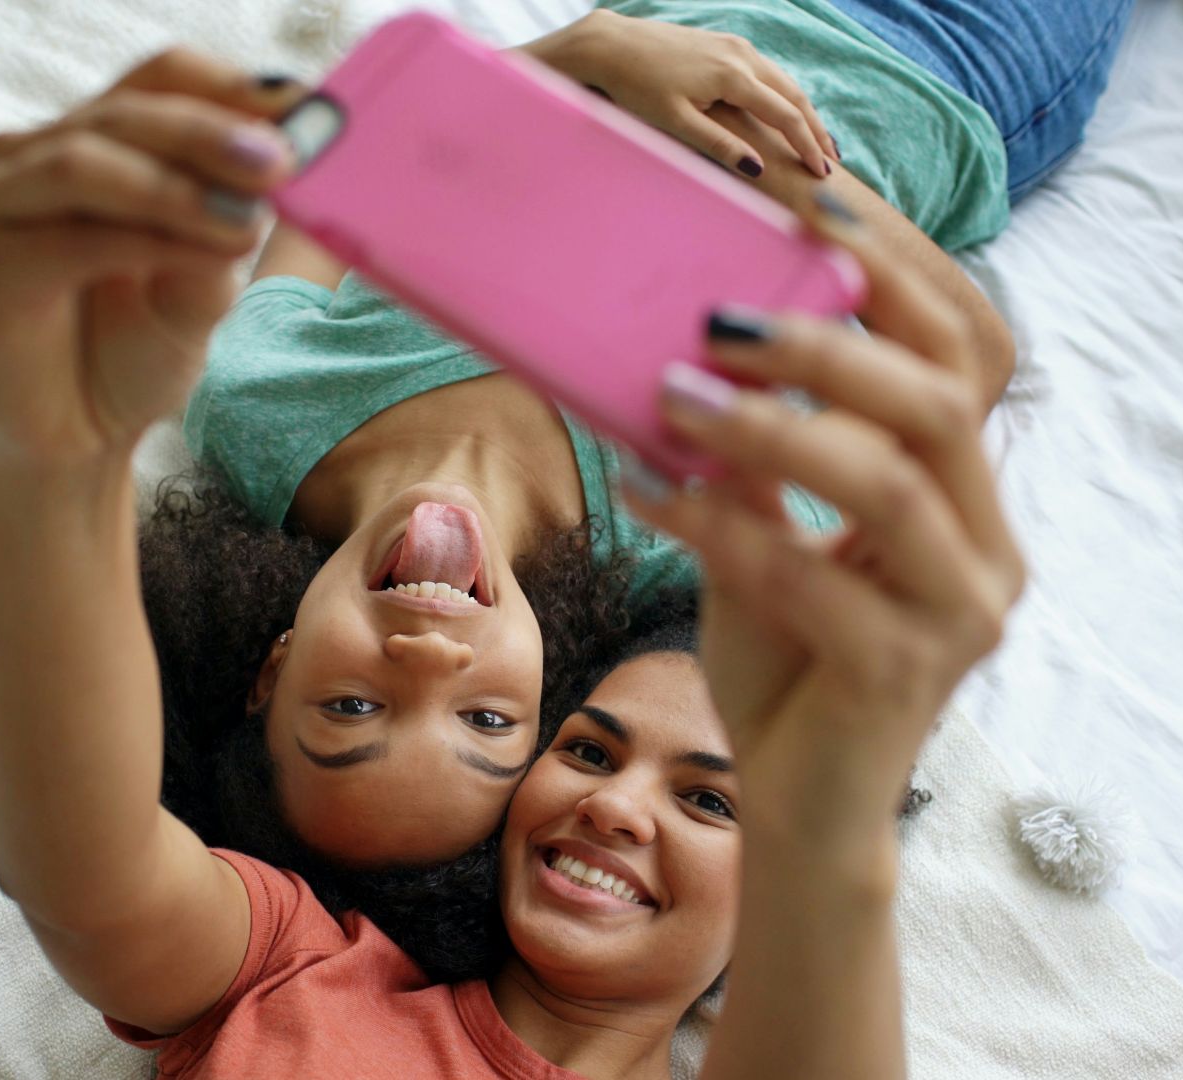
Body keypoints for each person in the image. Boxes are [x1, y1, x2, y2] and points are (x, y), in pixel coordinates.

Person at [0, 18, 929, 982]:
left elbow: (350, 143)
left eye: (350, 705)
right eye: (486, 722)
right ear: (547, 693)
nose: (428, 658)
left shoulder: (256, 409)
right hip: (927, 78)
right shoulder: (686, 542)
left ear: (274, 665)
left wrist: (588, 56)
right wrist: (767, 159)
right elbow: (945, 361)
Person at [82, 215, 1028, 1077]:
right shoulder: (316, 966)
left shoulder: (300, 977)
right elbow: (965, 365)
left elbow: (83, 854)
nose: (613, 805)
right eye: (585, 750)